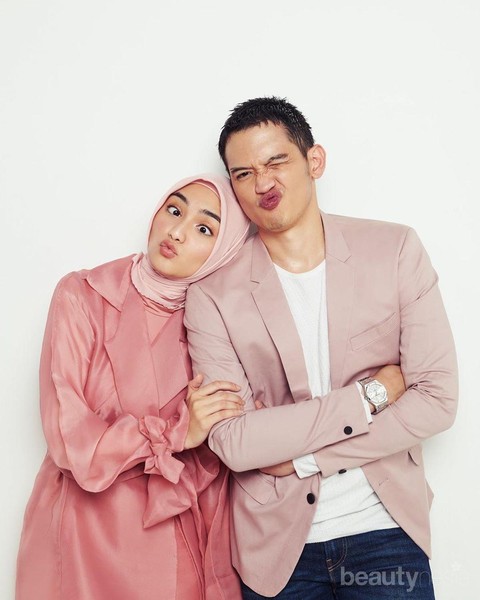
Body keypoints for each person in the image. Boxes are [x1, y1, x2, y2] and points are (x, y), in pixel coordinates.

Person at [184, 98, 458, 599]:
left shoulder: (394, 250)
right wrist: (370, 396)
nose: (262, 183)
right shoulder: (211, 295)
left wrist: (303, 459)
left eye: (276, 162)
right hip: (276, 552)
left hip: (385, 532)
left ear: (315, 160)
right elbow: (235, 443)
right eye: (244, 174)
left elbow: (437, 400)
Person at [16, 174, 250, 600]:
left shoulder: (216, 332)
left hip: (170, 542)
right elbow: (68, 438)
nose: (176, 232)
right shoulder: (83, 295)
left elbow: (230, 445)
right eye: (174, 210)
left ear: (226, 250)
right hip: (80, 531)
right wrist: (177, 433)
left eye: (204, 229)